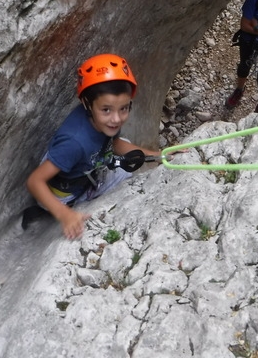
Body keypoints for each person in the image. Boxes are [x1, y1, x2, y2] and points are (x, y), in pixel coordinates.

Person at [25, 53, 159, 239]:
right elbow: (34, 181)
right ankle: (71, 204)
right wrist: (64, 214)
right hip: (63, 194)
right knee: (126, 177)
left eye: (124, 108)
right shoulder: (74, 143)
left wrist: (159, 155)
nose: (117, 119)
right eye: (106, 110)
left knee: (128, 151)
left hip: (83, 167)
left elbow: (115, 143)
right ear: (87, 104)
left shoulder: (102, 124)